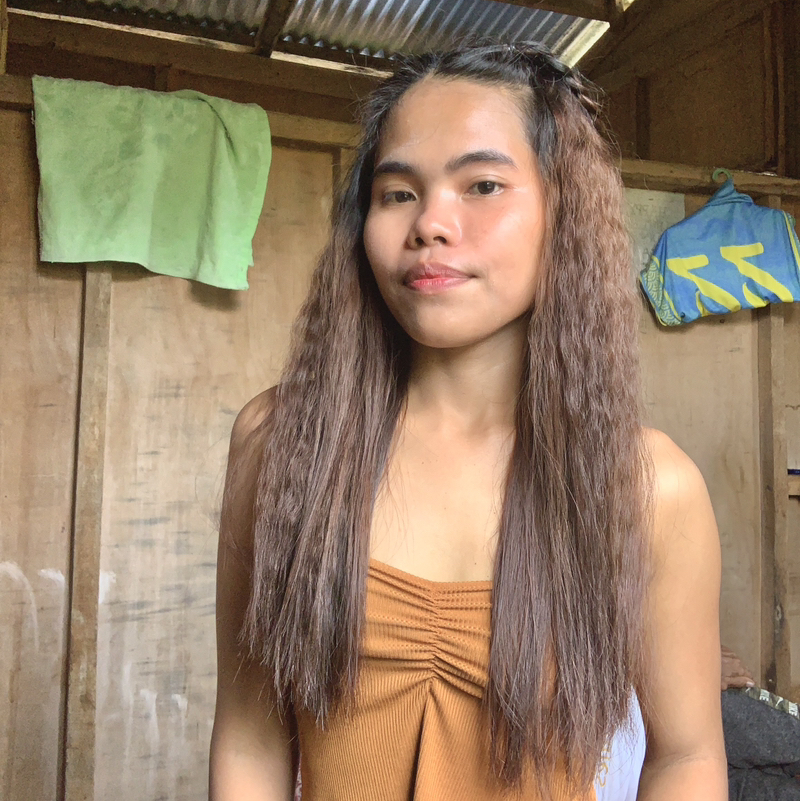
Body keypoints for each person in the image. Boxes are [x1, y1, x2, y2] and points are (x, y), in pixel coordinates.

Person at [209, 43, 727, 800]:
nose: (430, 223)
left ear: (564, 212)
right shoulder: (280, 442)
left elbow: (686, 757)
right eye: (397, 193)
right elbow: (249, 737)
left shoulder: (652, 487)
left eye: (482, 184)